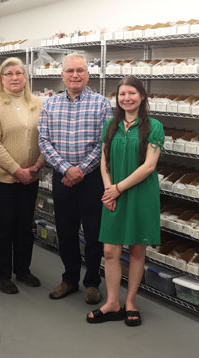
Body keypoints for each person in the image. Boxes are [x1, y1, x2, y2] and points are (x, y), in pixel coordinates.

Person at [86, 76, 163, 327]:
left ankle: (130, 302)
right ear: (117, 98)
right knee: (110, 250)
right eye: (122, 94)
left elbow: (149, 166)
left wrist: (118, 188)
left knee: (137, 249)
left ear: (142, 96)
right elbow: (104, 161)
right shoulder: (110, 125)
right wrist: (109, 188)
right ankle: (112, 303)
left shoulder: (154, 126)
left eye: (131, 93)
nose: (126, 98)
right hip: (113, 193)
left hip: (140, 194)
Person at [39, 53, 113, 304]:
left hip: (92, 179)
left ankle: (92, 282)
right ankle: (70, 279)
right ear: (62, 75)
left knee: (93, 234)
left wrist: (81, 169)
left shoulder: (102, 104)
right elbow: (44, 141)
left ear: (88, 74)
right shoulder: (50, 104)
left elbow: (105, 143)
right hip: (62, 178)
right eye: (70, 71)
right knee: (66, 230)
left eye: (80, 70)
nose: (75, 75)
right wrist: (65, 169)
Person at [0, 57, 44, 294]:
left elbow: (46, 138)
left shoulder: (38, 103)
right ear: (1, 79)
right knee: (1, 226)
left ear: (26, 77)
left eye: (19, 73)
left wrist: (37, 167)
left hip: (32, 176)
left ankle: (23, 270)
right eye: (8, 74)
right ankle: (1, 274)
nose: (14, 78)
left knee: (24, 226)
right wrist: (17, 170)